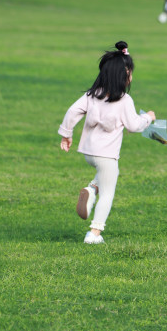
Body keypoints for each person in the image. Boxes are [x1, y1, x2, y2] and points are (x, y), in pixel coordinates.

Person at [58, 41, 155, 244]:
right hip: (106, 154)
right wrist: (149, 118)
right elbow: (134, 126)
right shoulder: (124, 100)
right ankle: (94, 233)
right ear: (124, 74)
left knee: (104, 177)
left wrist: (66, 134)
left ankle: (92, 189)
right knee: (108, 192)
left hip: (89, 152)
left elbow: (72, 111)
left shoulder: (92, 95)